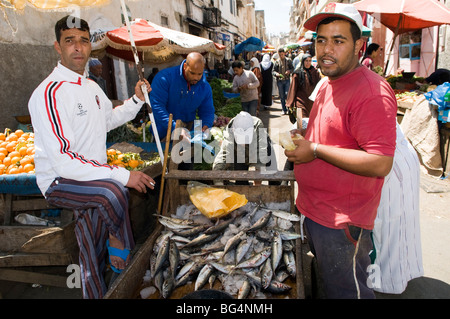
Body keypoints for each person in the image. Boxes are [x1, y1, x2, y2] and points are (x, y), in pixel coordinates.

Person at [27, 16, 155, 299]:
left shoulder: (92, 87)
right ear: (57, 47)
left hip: (91, 179)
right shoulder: (49, 93)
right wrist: (122, 175)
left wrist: (136, 101)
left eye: (84, 40)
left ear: (90, 47)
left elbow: (108, 120)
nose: (78, 47)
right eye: (69, 41)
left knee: (90, 252)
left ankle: (96, 289)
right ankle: (121, 242)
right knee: (113, 191)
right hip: (62, 181)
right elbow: (64, 161)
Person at [284, 3, 397, 299]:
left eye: (338, 40)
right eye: (321, 40)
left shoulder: (371, 92)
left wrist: (316, 150)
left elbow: (380, 162)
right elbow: (329, 132)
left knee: (347, 291)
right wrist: (306, 137)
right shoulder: (327, 83)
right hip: (315, 209)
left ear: (359, 46)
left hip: (342, 221)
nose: (326, 49)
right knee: (329, 285)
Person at [371, 122, 424, 294]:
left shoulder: (365, 98)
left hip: (388, 164)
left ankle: (384, 283)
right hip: (394, 158)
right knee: (394, 230)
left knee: (387, 229)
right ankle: (394, 277)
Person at [149, 52, 215, 141]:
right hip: (164, 132)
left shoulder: (205, 87)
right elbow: (157, 107)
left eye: (199, 74)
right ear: (185, 66)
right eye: (192, 73)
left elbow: (207, 111)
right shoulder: (164, 78)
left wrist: (206, 125)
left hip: (189, 133)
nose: (196, 78)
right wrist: (175, 128)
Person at [212, 111, 277, 184]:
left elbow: (261, 151)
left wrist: (258, 182)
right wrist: (218, 181)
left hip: (263, 149)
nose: (243, 144)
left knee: (273, 177)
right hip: (240, 153)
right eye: (241, 140)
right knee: (240, 181)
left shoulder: (258, 125)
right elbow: (223, 155)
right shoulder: (229, 133)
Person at [286, 53, 321, 124]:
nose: (308, 63)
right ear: (303, 61)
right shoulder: (297, 73)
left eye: (310, 61)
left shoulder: (315, 72)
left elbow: (320, 85)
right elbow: (293, 89)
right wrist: (290, 104)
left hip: (312, 103)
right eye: (306, 61)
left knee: (312, 123)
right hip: (300, 102)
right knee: (302, 123)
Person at [273, 47, 294, 115]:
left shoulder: (288, 60)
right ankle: (283, 109)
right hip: (279, 81)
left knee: (287, 94)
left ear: (284, 54)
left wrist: (289, 71)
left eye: (282, 54)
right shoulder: (276, 62)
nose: (281, 56)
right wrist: (276, 74)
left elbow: (292, 69)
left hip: (287, 80)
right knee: (281, 96)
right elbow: (273, 71)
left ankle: (288, 108)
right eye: (280, 55)